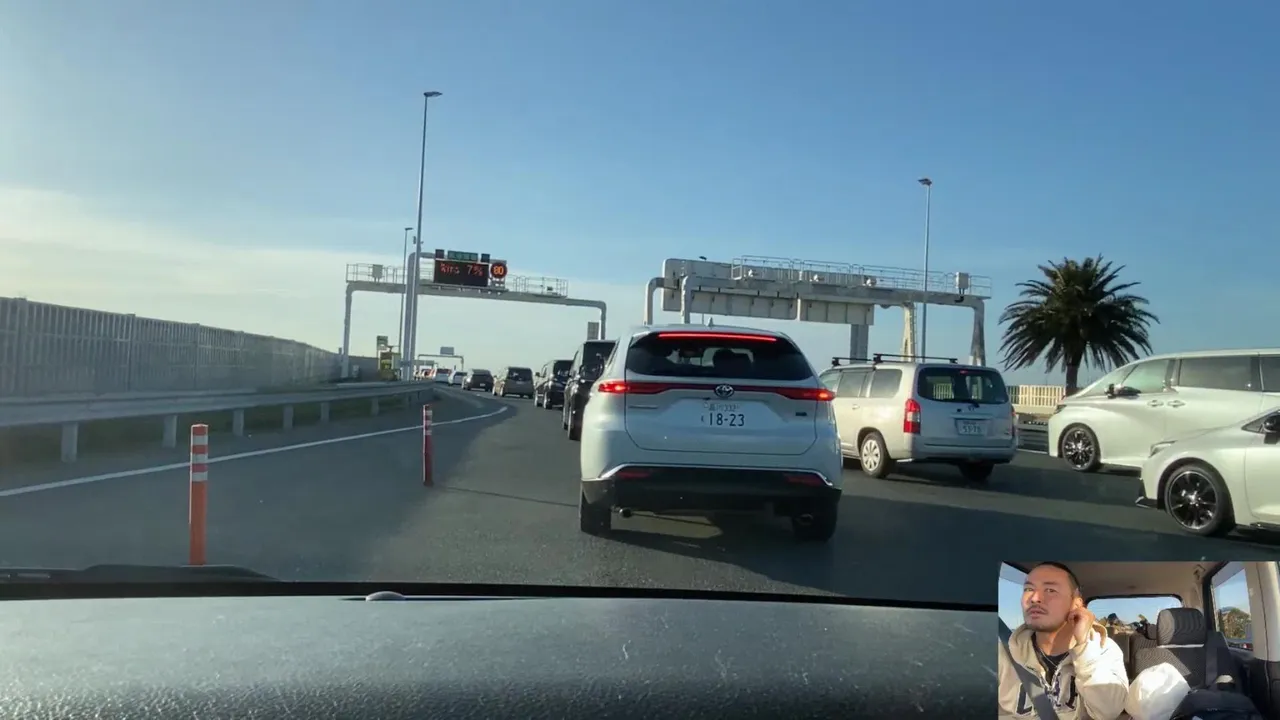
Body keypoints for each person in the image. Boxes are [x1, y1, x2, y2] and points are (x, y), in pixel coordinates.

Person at [998, 562, 1130, 720]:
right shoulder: (1001, 653)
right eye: (1028, 589)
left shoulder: (1103, 649)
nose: (1034, 598)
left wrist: (1084, 647)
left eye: (1050, 590)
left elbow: (1109, 711)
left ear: (1076, 605)